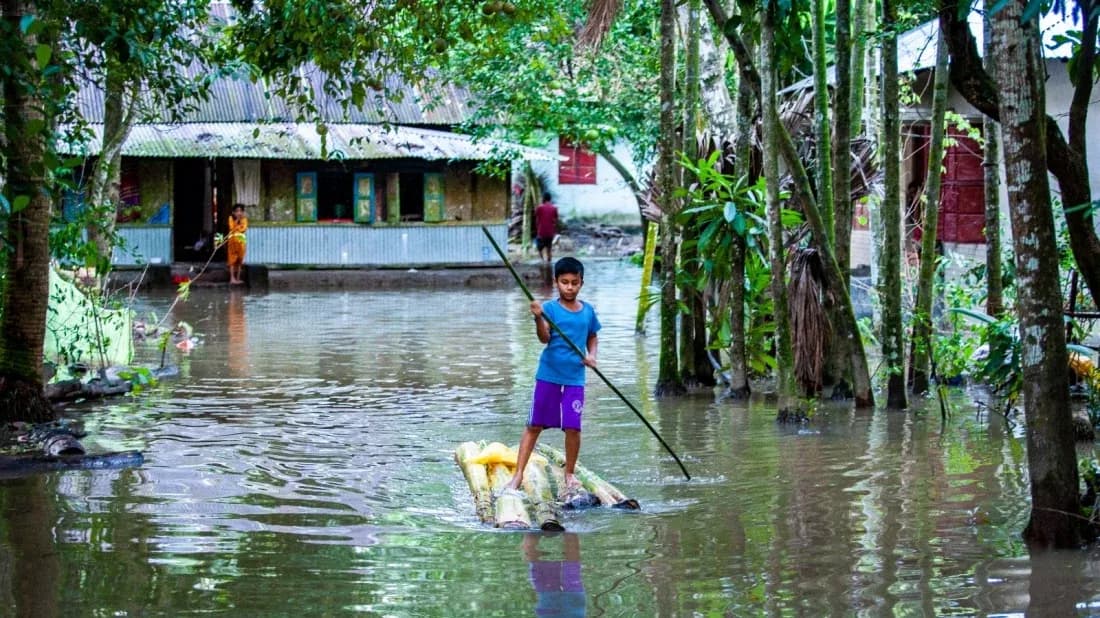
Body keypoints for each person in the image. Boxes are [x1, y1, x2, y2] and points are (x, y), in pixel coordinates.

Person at [505, 257, 600, 496]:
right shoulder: (549, 309)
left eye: (574, 283)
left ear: (581, 283)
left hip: (575, 379)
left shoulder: (588, 311)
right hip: (548, 376)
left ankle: (570, 474)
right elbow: (544, 339)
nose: (570, 287)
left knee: (573, 428)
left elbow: (592, 336)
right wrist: (538, 317)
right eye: (564, 282)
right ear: (556, 282)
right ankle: (518, 474)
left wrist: (592, 356)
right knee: (534, 425)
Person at [534, 192, 559, 263]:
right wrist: (554, 231)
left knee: (539, 248)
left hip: (541, 232)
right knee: (549, 249)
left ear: (543, 198)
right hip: (550, 233)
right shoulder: (554, 208)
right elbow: (556, 221)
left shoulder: (539, 208)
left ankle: (542, 261)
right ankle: (549, 262)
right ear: (550, 199)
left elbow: (537, 219)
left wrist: (537, 228)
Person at [227, 204, 248, 285]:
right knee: (232, 260)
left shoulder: (244, 219)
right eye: (237, 211)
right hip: (232, 242)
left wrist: (238, 227)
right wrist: (237, 222)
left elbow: (244, 229)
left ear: (243, 212)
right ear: (233, 212)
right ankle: (232, 278)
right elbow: (232, 228)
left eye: (240, 211)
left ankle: (238, 278)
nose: (239, 213)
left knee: (240, 260)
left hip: (241, 242)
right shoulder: (231, 218)